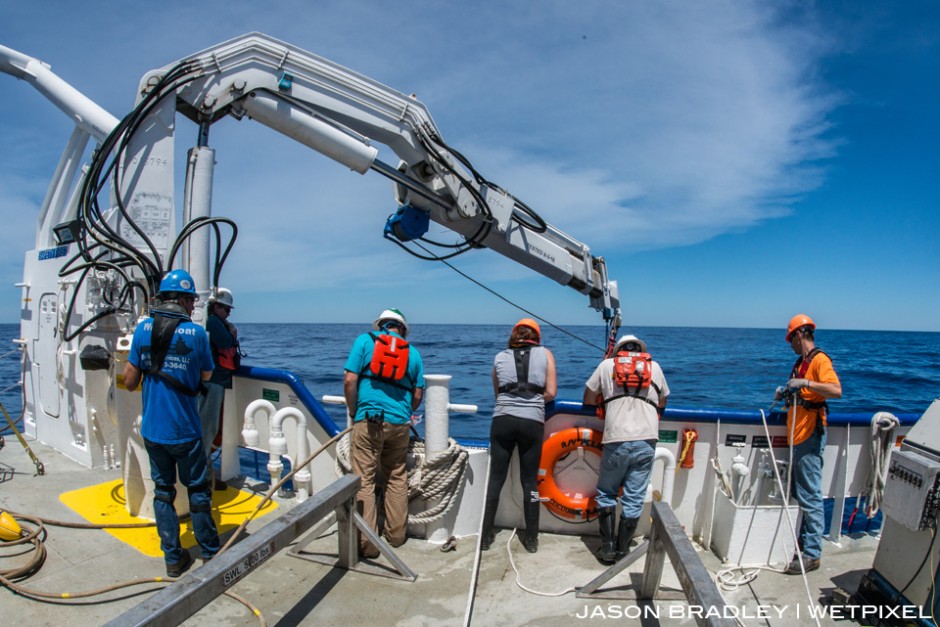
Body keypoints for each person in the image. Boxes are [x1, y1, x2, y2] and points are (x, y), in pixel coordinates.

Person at [123, 269, 220, 577]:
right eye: (191, 300)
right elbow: (206, 376)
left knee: (163, 492)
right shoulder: (198, 334)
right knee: (199, 492)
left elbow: (128, 381)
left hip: (153, 431)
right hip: (186, 432)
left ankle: (173, 560)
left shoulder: (142, 331)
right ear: (180, 299)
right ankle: (210, 554)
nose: (193, 306)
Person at [343, 308, 425, 558]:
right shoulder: (413, 353)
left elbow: (349, 381)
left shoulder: (365, 341)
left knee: (364, 480)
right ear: (402, 329)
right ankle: (397, 536)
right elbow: (418, 394)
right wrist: (403, 414)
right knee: (396, 477)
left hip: (368, 421)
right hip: (400, 424)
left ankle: (368, 545)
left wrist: (354, 410)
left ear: (382, 325)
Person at [583, 334, 668, 565]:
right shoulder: (655, 367)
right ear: (641, 350)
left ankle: (608, 548)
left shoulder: (606, 365)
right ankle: (622, 550)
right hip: (647, 438)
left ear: (618, 350)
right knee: (634, 497)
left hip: (616, 438)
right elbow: (663, 401)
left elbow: (589, 399)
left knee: (607, 492)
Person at [481, 319, 557, 553]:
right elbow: (552, 393)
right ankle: (531, 539)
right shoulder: (546, 354)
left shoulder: (499, 357)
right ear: (537, 337)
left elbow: (497, 394)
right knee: (529, 482)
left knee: (495, 480)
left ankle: (484, 537)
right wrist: (532, 400)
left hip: (502, 420)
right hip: (532, 422)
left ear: (513, 336)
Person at [776, 314, 842, 575]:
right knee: (800, 494)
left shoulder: (819, 360)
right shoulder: (800, 362)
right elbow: (803, 393)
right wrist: (786, 391)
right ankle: (803, 544)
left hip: (809, 435)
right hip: (797, 434)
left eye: (791, 338)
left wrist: (804, 382)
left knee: (811, 495)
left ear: (799, 335)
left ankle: (812, 554)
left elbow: (835, 390)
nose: (790, 344)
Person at [198, 287, 240, 491]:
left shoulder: (217, 321)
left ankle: (206, 475)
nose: (229, 313)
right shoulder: (214, 322)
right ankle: (204, 479)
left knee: (210, 429)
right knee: (208, 430)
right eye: (226, 308)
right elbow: (224, 342)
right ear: (215, 306)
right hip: (213, 382)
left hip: (216, 381)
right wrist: (232, 334)